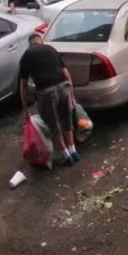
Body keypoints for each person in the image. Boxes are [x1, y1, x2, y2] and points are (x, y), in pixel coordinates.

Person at [18, 33, 80, 165]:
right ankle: (73, 151)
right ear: (41, 41)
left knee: (53, 124)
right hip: (63, 87)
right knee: (67, 119)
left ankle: (66, 156)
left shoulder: (27, 55)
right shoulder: (51, 49)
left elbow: (23, 85)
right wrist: (72, 96)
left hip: (46, 92)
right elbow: (66, 74)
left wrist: (25, 109)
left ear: (30, 44)